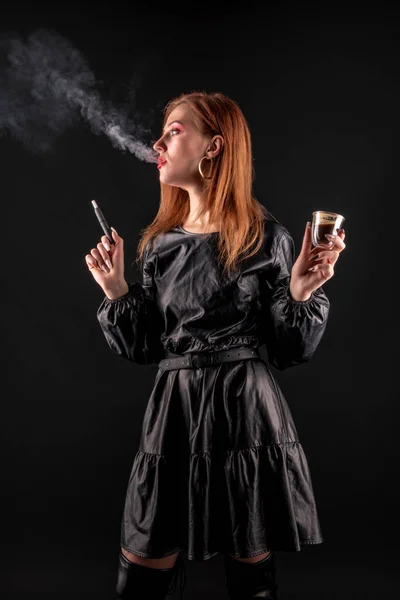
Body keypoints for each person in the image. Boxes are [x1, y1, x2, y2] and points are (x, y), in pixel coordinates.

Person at [85, 91, 346, 600]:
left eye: (175, 131)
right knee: (141, 574)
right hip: (175, 411)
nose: (158, 142)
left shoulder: (266, 238)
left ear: (214, 147)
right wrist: (116, 288)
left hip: (244, 410)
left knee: (251, 582)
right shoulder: (159, 245)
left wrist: (300, 291)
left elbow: (289, 349)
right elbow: (146, 348)